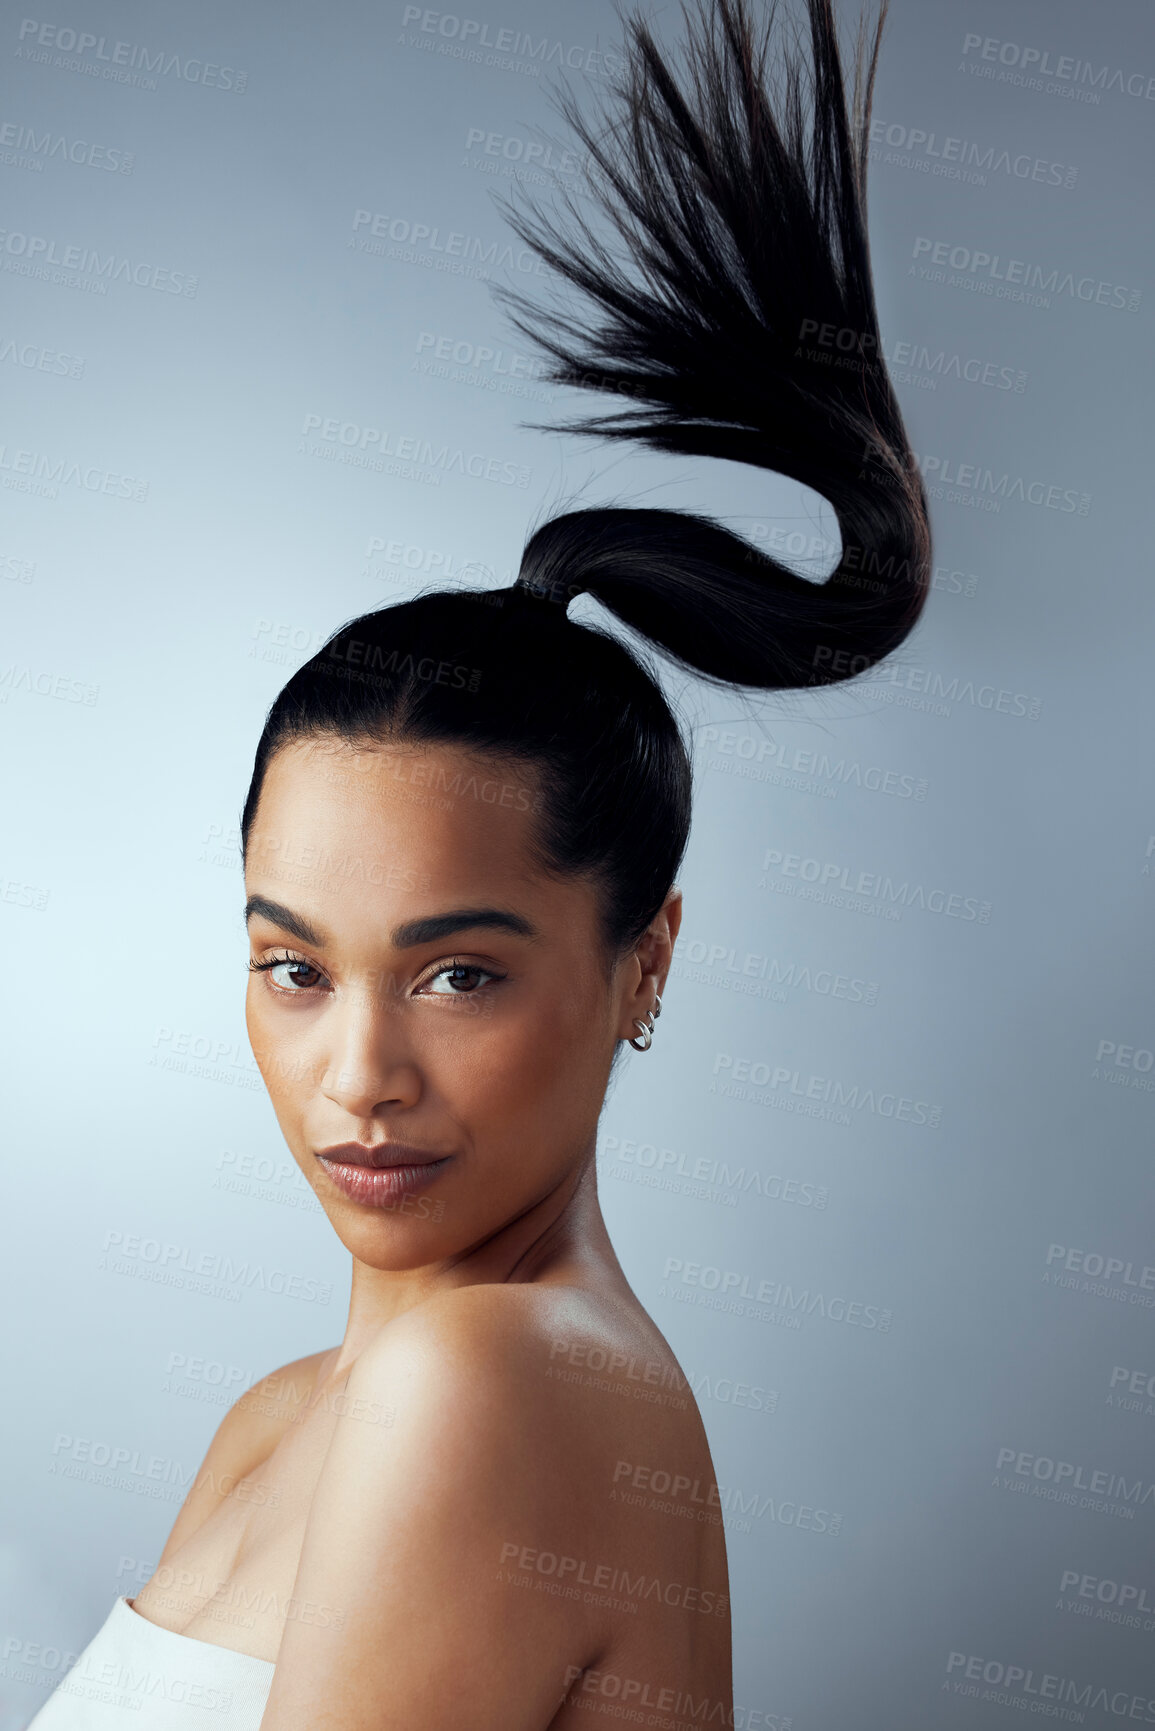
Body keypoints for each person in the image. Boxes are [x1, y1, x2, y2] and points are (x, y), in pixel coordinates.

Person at [28, 0, 929, 1725]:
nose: (356, 1076)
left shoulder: (490, 1383)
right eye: (295, 968)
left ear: (644, 961)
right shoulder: (287, 1418)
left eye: (458, 972)